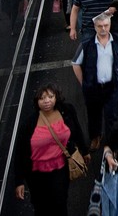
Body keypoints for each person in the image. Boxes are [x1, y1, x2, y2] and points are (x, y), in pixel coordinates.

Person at [14, 83, 87, 216]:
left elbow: (77, 130)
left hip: (60, 170)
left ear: (56, 97)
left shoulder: (67, 111)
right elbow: (20, 152)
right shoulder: (29, 124)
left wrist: (84, 150)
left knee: (60, 203)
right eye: (42, 98)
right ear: (37, 101)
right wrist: (19, 181)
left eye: (50, 97)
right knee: (41, 207)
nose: (47, 101)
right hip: (36, 175)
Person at [72, 12, 118, 152]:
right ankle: (95, 137)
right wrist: (84, 83)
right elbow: (75, 63)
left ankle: (111, 142)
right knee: (93, 114)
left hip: (112, 86)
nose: (103, 29)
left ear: (110, 25)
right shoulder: (86, 44)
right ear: (95, 27)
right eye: (100, 26)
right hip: (93, 88)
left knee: (112, 116)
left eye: (106, 25)